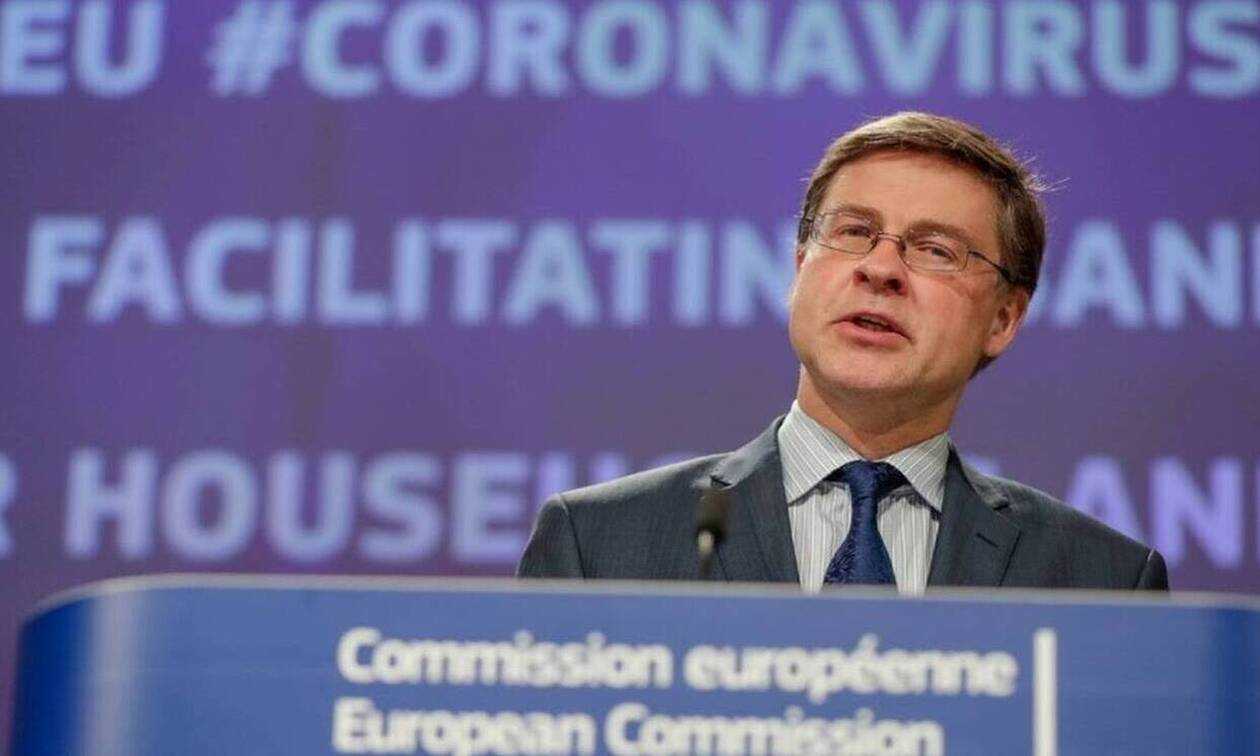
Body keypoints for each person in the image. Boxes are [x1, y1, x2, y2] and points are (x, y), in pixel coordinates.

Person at [517, 112, 1168, 593]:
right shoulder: (599, 544)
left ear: (1003, 319)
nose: (880, 269)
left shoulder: (1101, 579)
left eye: (935, 250)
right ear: (801, 266)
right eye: (854, 232)